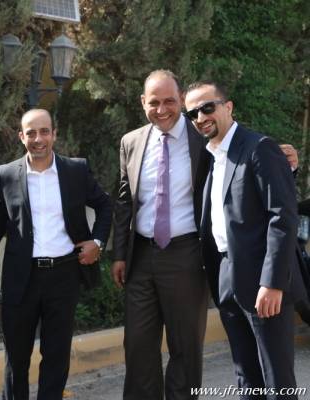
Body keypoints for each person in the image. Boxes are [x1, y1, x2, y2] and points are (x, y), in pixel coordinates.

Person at [0, 109, 113, 400]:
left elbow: (105, 205)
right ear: (21, 136)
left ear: (54, 134)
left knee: (56, 355)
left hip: (64, 276)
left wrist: (97, 242)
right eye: (31, 133)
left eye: (44, 131)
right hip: (21, 278)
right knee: (16, 359)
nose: (38, 139)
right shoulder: (6, 174)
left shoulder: (76, 170)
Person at [184, 80, 304, 399]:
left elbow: (282, 217)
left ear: (228, 107)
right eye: (192, 113)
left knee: (277, 380)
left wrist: (272, 282)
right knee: (246, 377)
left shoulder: (258, 147)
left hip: (264, 281)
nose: (200, 117)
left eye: (207, 107)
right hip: (226, 276)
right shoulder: (211, 157)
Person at [112, 70, 210, 400]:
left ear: (181, 99)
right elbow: (123, 201)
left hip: (187, 255)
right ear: (143, 102)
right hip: (141, 257)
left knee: (185, 345)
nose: (162, 109)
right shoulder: (131, 142)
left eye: (170, 101)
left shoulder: (203, 139)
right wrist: (119, 255)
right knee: (138, 345)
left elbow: (241, 157)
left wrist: (282, 157)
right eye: (154, 102)